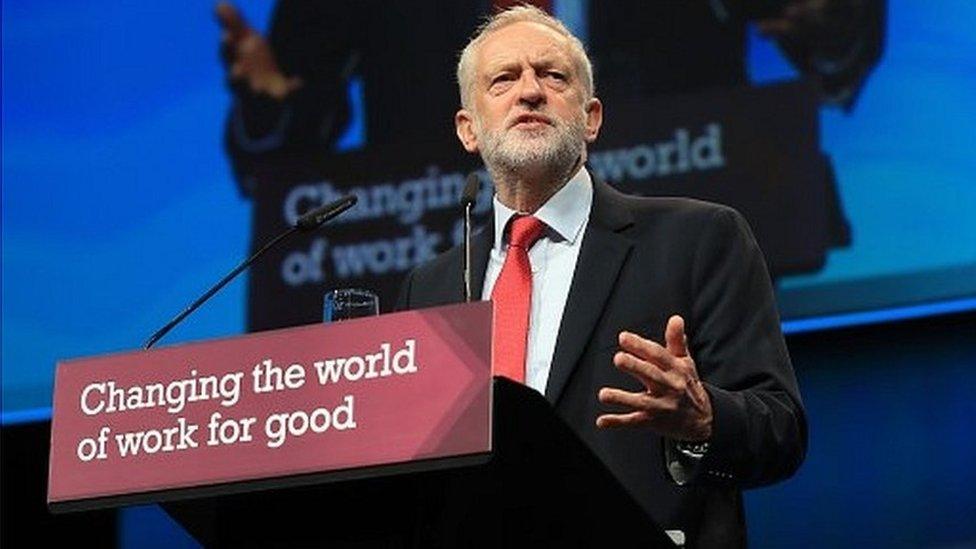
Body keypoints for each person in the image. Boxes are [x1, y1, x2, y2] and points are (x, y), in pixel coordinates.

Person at [395, 6, 806, 546]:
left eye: (552, 75)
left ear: (591, 117)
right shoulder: (427, 290)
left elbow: (780, 430)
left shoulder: (699, 238)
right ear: (468, 129)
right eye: (504, 79)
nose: (530, 92)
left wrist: (704, 417)